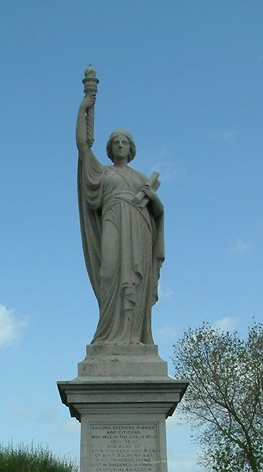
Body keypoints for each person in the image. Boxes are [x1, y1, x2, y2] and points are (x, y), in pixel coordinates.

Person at [76, 93, 165, 345]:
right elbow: (83, 148)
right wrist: (84, 108)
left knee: (134, 280)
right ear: (110, 147)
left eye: (124, 142)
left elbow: (158, 212)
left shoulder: (140, 178)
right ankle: (108, 334)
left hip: (139, 229)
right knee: (109, 273)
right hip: (113, 219)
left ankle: (132, 335)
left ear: (131, 147)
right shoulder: (102, 172)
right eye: (116, 142)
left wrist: (155, 200)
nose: (120, 145)